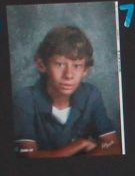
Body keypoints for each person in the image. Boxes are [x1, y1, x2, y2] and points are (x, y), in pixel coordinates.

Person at [11, 23, 121, 158]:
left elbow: (114, 146)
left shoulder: (91, 95)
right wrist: (81, 144)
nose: (69, 75)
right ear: (42, 65)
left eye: (77, 66)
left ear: (85, 70)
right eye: (60, 64)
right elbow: (29, 156)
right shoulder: (25, 98)